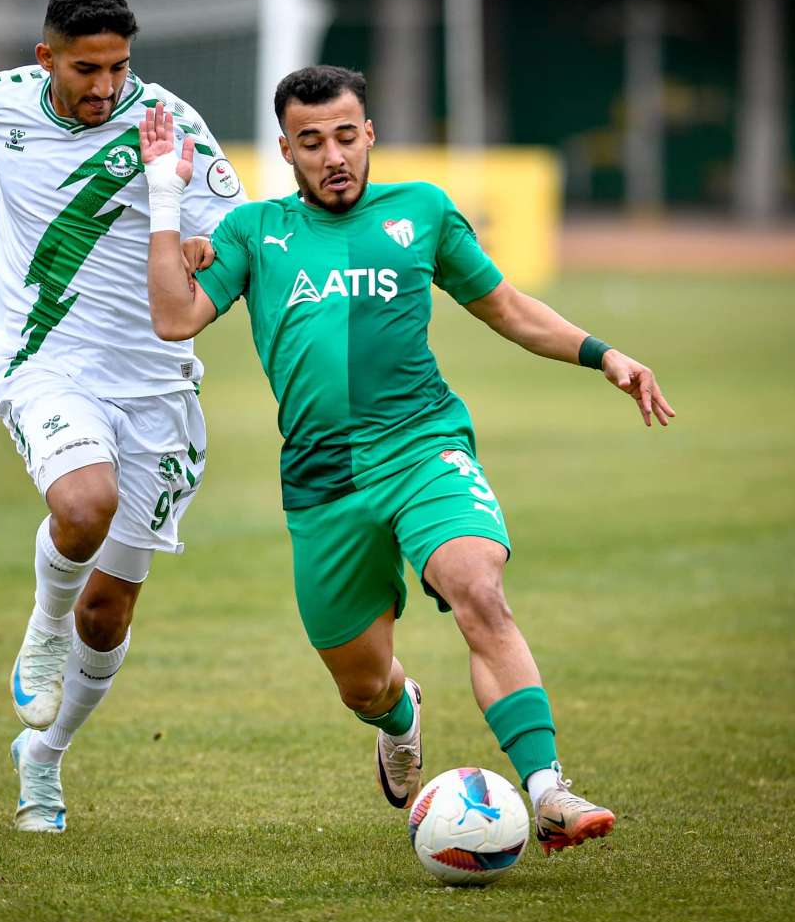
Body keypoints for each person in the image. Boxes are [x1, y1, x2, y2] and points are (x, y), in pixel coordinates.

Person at [141, 65, 675, 857]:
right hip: (321, 480)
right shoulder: (254, 232)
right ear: (286, 149)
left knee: (477, 586)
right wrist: (161, 198)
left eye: (347, 136)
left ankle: (547, 789)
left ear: (371, 135)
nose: (334, 156)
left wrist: (602, 355)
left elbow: (508, 308)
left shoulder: (422, 210)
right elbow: (173, 316)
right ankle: (401, 715)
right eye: (312, 142)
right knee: (363, 685)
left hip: (422, 445)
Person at [0, 0, 245, 832]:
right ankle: (41, 631)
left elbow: (228, 224)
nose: (107, 86)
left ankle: (42, 760)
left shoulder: (167, 122)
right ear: (47, 58)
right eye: (87, 68)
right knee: (83, 503)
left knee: (109, 610)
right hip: (43, 363)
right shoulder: (5, 101)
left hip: (154, 385)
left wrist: (200, 240)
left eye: (119, 66)